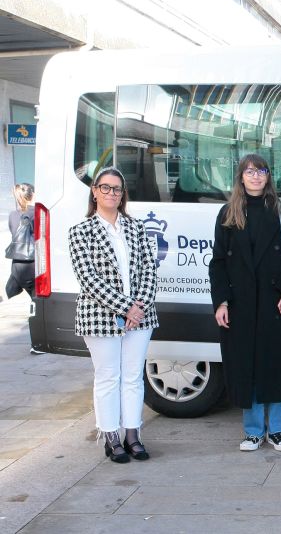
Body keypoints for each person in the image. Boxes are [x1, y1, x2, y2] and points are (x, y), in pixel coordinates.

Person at [209, 154, 281, 452]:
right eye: (249, 171)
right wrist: (221, 302)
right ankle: (253, 432)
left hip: (276, 302)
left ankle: (277, 431)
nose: (255, 176)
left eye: (261, 170)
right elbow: (218, 262)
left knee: (276, 366)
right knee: (245, 367)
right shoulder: (228, 212)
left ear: (268, 176)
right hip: (240, 304)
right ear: (241, 177)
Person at [68, 167, 159, 463]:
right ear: (95, 192)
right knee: (108, 376)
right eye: (105, 188)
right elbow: (88, 279)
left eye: (116, 189)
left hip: (140, 317)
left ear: (122, 195)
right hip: (100, 315)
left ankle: (133, 435)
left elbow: (149, 269)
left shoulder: (137, 228)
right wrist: (125, 307)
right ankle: (111, 436)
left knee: (133, 377)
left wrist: (139, 307)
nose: (111, 193)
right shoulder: (80, 231)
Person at [6, 183, 35, 300]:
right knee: (39, 303)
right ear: (33, 194)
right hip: (33, 265)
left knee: (11, 290)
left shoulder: (12, 215)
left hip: (17, 266)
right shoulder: (38, 213)